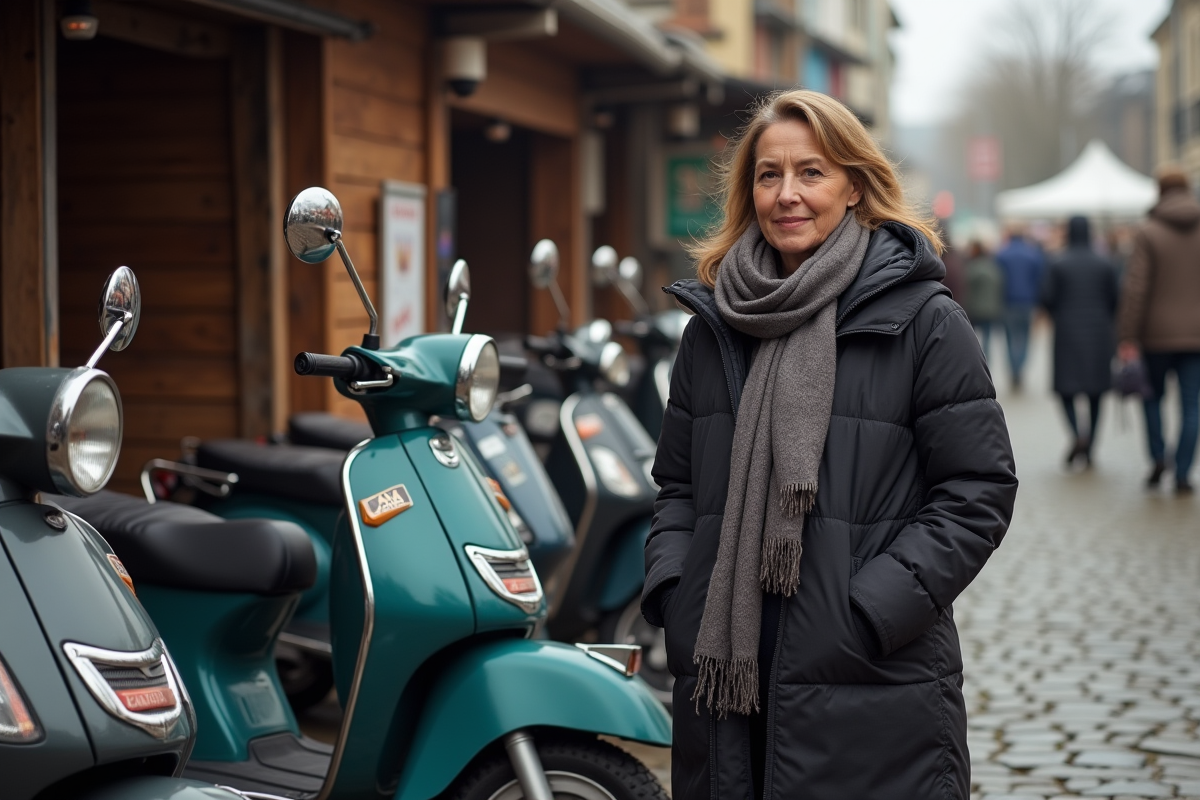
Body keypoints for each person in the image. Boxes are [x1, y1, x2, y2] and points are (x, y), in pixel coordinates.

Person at [641, 89, 1018, 800]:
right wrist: (677, 592)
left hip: (872, 680)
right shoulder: (712, 328)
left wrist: (874, 610)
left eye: (811, 172)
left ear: (854, 185)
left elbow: (979, 490)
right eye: (768, 174)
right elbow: (679, 487)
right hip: (726, 679)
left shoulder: (925, 321)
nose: (788, 194)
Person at [1117, 165, 1200, 494]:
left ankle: (1157, 457)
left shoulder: (1148, 231)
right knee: (1191, 406)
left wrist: (1126, 336)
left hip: (1154, 335)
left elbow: (1136, 289)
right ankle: (1182, 472)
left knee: (1152, 399)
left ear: (1160, 192)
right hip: (1196, 336)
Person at [1040, 216, 1119, 468]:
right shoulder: (1105, 263)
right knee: (1096, 393)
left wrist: (1059, 316)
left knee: (1066, 390)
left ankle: (1078, 435)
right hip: (1099, 334)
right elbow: (1115, 299)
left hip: (1067, 334)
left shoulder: (1058, 263)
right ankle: (1091, 444)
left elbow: (1046, 297)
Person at [994, 225, 1046, 389]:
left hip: (1007, 301)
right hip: (1027, 302)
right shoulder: (1033, 254)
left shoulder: (1002, 254)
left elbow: (997, 280)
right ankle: (1020, 368)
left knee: (1009, 339)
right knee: (1025, 338)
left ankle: (1013, 369)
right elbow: (1040, 280)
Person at [963, 239, 1005, 361]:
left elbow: (967, 289)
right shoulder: (993, 268)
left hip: (975, 309)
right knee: (987, 338)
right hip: (990, 309)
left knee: (972, 338)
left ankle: (974, 360)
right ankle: (986, 362)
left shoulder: (971, 268)